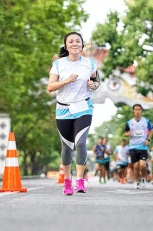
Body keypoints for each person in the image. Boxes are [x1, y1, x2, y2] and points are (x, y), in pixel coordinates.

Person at [47, 31, 99, 195]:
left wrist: (93, 85)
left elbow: (96, 81)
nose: (75, 44)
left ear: (82, 45)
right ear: (66, 46)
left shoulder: (89, 63)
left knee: (81, 143)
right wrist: (66, 81)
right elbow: (50, 87)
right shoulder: (59, 65)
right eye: (71, 42)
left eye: (78, 41)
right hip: (63, 109)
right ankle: (67, 181)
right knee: (67, 147)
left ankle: (80, 181)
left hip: (83, 108)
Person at [125, 104, 153, 189]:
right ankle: (137, 182)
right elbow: (125, 133)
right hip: (133, 147)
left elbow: (151, 130)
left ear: (141, 111)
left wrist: (148, 140)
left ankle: (143, 178)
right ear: (133, 111)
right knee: (136, 166)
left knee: (143, 165)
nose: (137, 111)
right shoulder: (129, 122)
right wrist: (128, 134)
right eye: (136, 110)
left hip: (143, 147)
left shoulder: (146, 121)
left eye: (139, 109)